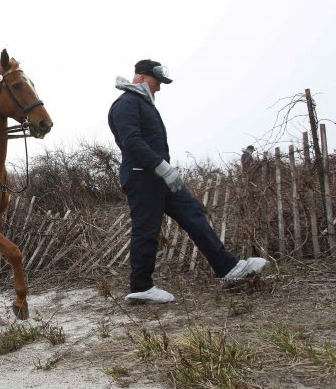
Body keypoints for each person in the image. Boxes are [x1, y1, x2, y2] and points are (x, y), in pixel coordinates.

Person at [107, 59, 267, 303]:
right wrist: (161, 166)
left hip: (159, 177)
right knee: (146, 229)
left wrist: (165, 171)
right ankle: (141, 287)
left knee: (193, 213)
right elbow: (131, 142)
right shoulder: (126, 103)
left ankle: (228, 269)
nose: (158, 87)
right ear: (140, 77)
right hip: (143, 176)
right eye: (155, 81)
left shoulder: (144, 103)